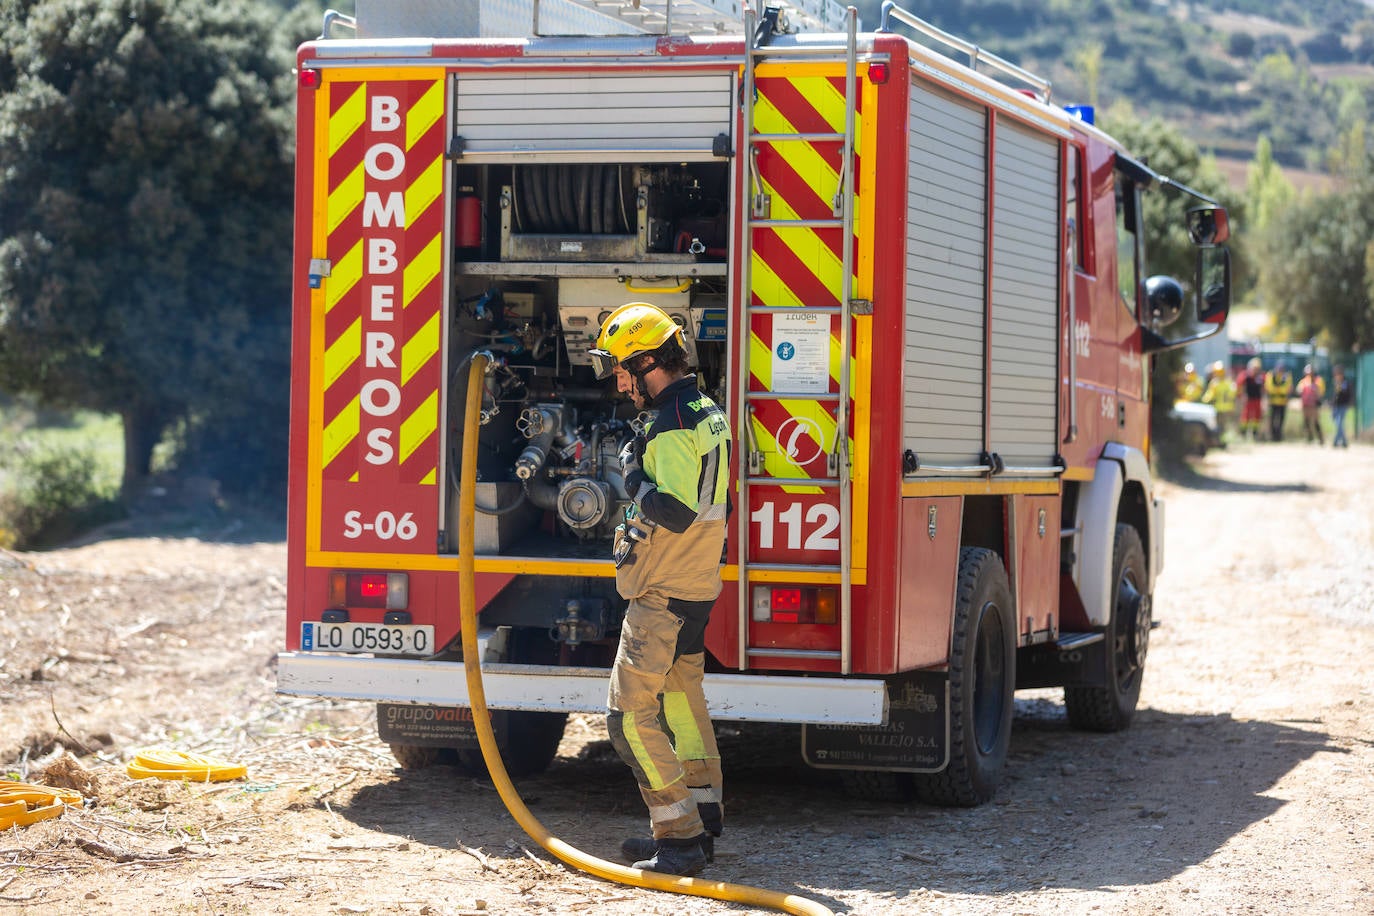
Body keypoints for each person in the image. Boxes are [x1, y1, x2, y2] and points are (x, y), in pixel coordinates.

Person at [588, 302, 730, 877]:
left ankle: (678, 837)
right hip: (695, 584)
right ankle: (704, 816)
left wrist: (632, 474)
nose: (619, 382)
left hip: (663, 593)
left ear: (649, 362)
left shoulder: (670, 423)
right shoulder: (703, 407)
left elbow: (672, 508)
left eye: (623, 369)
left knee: (628, 719)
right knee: (682, 702)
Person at [1201, 360, 1237, 443]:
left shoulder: (1215, 383)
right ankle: (1222, 441)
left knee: (1217, 426)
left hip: (1218, 408)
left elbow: (1209, 396)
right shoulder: (1229, 383)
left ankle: (1219, 441)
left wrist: (1203, 401)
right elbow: (1233, 394)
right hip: (1227, 408)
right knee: (1223, 426)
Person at [1296, 363, 1326, 444]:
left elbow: (1321, 392)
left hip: (1314, 404)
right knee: (1306, 421)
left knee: (1316, 421)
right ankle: (1309, 437)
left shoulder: (1318, 380)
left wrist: (1315, 388)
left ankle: (1320, 438)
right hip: (1306, 404)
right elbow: (1299, 390)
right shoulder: (1304, 381)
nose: (1309, 374)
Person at [1265, 360, 1293, 442]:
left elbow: (1288, 388)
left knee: (1281, 420)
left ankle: (1279, 435)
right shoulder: (1270, 375)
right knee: (1272, 419)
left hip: (1282, 402)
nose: (1280, 370)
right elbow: (1269, 387)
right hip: (1273, 402)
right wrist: (1280, 391)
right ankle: (1272, 435)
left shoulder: (1286, 376)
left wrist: (1278, 390)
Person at [1238, 358, 1266, 440]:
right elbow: (1240, 387)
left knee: (1257, 417)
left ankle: (1255, 434)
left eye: (1257, 368)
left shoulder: (1261, 377)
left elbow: (1263, 388)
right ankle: (1243, 434)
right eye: (1255, 368)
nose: (1256, 370)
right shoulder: (1245, 376)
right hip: (1248, 400)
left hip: (1257, 399)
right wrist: (1241, 396)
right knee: (1245, 417)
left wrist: (1264, 400)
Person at [1330, 365, 1354, 448]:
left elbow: (1347, 394)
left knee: (1339, 423)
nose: (1337, 376)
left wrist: (1349, 402)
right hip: (1335, 406)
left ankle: (1336, 442)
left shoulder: (1345, 383)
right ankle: (1343, 441)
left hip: (1343, 406)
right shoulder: (1335, 382)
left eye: (1338, 374)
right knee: (1337, 423)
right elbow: (1334, 396)